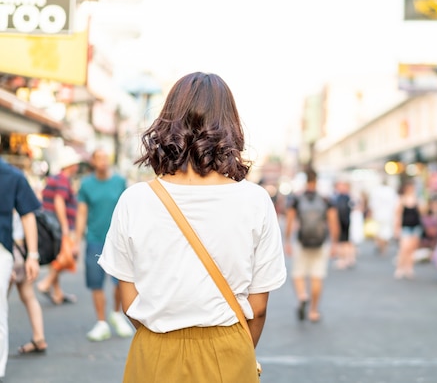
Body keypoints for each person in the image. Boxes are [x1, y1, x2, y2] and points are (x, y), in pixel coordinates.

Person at [97, 72, 286, 382]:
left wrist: (161, 338)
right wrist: (236, 351)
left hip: (154, 349)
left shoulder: (135, 200)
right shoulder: (255, 200)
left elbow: (129, 300)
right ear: (230, 125)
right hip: (229, 349)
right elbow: (259, 306)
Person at [74, 149, 134, 341]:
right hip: (94, 239)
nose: (103, 161)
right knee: (96, 283)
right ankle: (101, 322)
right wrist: (76, 241)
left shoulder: (119, 182)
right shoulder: (86, 185)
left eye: (105, 157)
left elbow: (128, 209)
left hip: (118, 240)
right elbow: (82, 213)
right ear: (92, 161)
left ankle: (116, 314)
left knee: (120, 281)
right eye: (99, 158)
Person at [0, 155, 41, 380]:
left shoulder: (13, 175)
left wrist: (32, 255)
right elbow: (27, 215)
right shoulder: (14, 175)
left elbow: (27, 215)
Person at [284, 169, 339, 323]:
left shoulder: (296, 199)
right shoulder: (326, 199)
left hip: (302, 241)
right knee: (317, 276)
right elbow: (333, 223)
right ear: (317, 181)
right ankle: (313, 311)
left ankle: (302, 296)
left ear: (305, 180)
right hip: (321, 242)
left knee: (299, 274)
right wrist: (335, 243)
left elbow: (290, 222)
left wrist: (287, 241)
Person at [36, 146, 82, 305]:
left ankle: (57, 293)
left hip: (49, 226)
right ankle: (46, 283)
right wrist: (65, 228)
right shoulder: (63, 179)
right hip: (58, 226)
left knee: (57, 256)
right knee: (67, 256)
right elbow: (59, 201)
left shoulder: (55, 178)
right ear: (70, 165)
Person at [11, 211, 48, 355]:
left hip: (12, 252)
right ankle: (39, 338)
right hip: (22, 252)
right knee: (28, 296)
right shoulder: (20, 202)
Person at [393, 181, 422, 279]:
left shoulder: (416, 199)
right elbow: (398, 215)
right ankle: (400, 268)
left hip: (415, 226)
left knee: (411, 250)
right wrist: (397, 228)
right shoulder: (402, 200)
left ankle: (409, 268)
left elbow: (422, 212)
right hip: (405, 227)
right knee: (404, 249)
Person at [368, 178, 398, 255]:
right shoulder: (390, 191)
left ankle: (381, 247)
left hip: (378, 214)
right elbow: (395, 204)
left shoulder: (376, 191)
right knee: (386, 232)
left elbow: (372, 204)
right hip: (388, 215)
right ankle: (384, 247)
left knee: (379, 232)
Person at [332, 179, 356, 269]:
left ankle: (345, 259)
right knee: (344, 241)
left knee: (344, 241)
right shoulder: (341, 197)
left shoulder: (345, 197)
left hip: (344, 222)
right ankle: (346, 258)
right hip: (342, 221)